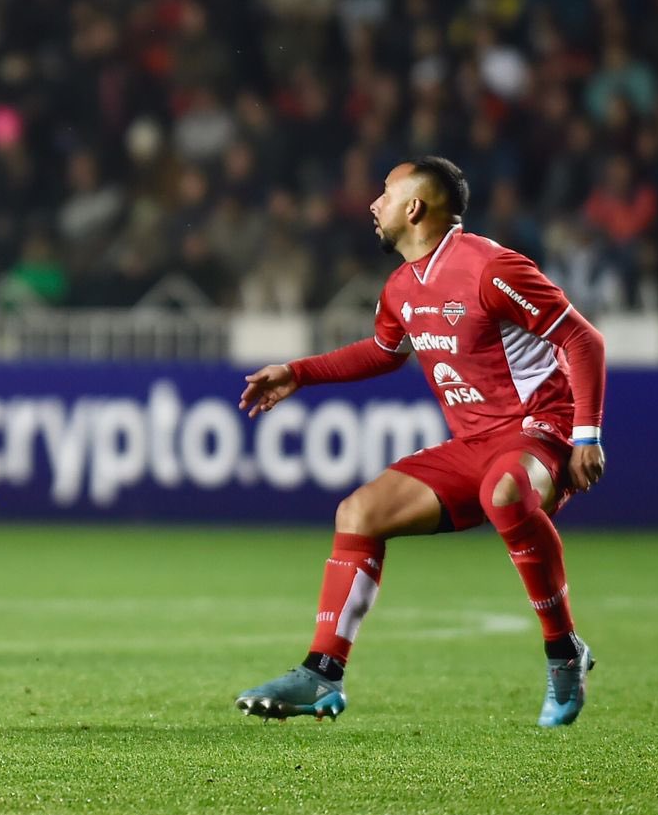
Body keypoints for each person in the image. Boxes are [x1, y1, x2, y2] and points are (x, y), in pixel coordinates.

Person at [235, 156, 607, 726]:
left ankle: (563, 654)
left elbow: (584, 341)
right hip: (474, 443)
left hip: (541, 431)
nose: (372, 204)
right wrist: (299, 372)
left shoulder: (491, 268)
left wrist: (586, 435)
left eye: (385, 193)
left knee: (504, 492)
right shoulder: (402, 286)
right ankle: (321, 673)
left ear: (415, 208)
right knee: (358, 512)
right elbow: (383, 353)